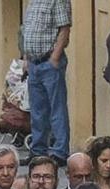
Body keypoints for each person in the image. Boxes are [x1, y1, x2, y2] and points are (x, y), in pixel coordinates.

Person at [20, 0, 72, 159]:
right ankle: (38, 150)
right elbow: (27, 30)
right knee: (37, 111)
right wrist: (26, 59)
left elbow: (64, 29)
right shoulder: (33, 2)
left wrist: (55, 58)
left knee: (57, 110)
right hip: (34, 64)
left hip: (49, 62)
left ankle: (59, 152)